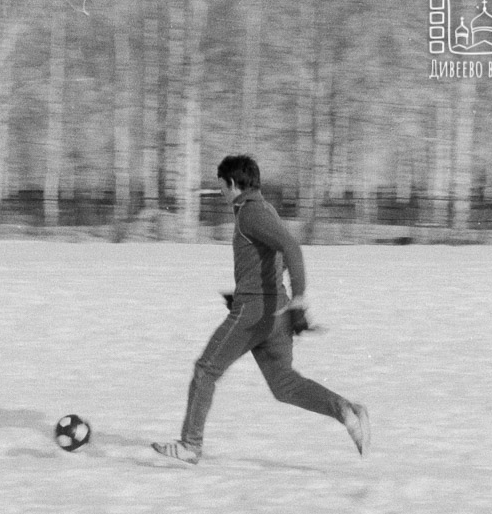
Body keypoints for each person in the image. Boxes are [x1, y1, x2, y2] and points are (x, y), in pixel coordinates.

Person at [151, 154, 369, 464]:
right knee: (284, 384)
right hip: (273, 312)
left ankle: (190, 445)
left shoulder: (251, 213)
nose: (222, 194)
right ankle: (347, 411)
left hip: (255, 312)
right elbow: (272, 256)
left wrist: (300, 297)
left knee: (206, 369)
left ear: (231, 183)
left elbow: (291, 247)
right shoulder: (262, 209)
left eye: (222, 187)